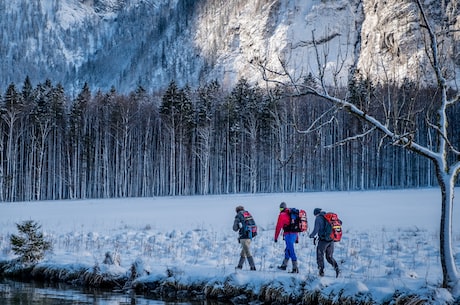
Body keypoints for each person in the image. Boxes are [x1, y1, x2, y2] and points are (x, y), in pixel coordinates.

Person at [309, 208, 340, 277]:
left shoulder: (318, 219)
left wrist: (311, 236)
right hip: (331, 240)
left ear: (316, 214)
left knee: (320, 255)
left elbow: (315, 230)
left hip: (323, 241)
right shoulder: (329, 217)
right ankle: (337, 268)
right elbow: (340, 222)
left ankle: (321, 271)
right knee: (329, 257)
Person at [274, 202, 299, 273]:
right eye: (280, 208)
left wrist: (276, 237)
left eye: (281, 208)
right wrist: (297, 238)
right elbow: (296, 227)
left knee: (291, 250)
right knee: (288, 249)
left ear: (283, 208)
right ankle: (284, 265)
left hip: (288, 235)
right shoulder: (292, 214)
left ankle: (295, 268)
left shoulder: (282, 215)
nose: (280, 209)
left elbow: (278, 227)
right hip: (294, 235)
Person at [233, 205, 256, 270]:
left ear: (237, 211)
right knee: (244, 251)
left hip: (244, 235)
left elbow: (235, 228)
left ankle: (253, 267)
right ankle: (239, 266)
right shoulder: (247, 214)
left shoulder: (238, 215)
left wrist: (238, 227)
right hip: (250, 235)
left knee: (247, 251)